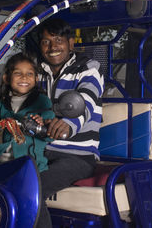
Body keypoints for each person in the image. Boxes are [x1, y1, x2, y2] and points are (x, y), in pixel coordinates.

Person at [36, 18, 104, 228]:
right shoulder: (37, 73)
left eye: (58, 40)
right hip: (41, 151)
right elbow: (12, 97)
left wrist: (69, 122)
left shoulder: (89, 68)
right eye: (46, 41)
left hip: (78, 157)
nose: (53, 47)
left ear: (71, 43)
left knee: (31, 188)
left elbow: (86, 100)